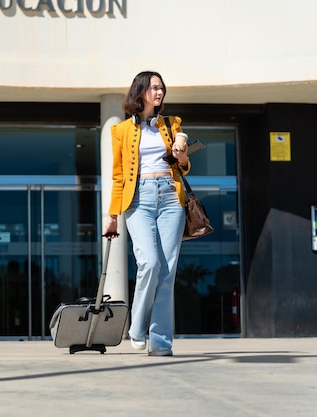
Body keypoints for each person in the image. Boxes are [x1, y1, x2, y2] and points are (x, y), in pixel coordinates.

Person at [102, 70, 190, 356]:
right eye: (154, 88)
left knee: (167, 272)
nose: (159, 92)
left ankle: (161, 341)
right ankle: (137, 327)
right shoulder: (121, 131)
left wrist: (182, 154)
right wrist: (112, 215)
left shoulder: (172, 124)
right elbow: (118, 176)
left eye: (161, 88)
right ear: (140, 91)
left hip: (170, 197)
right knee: (149, 264)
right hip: (138, 198)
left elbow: (184, 167)